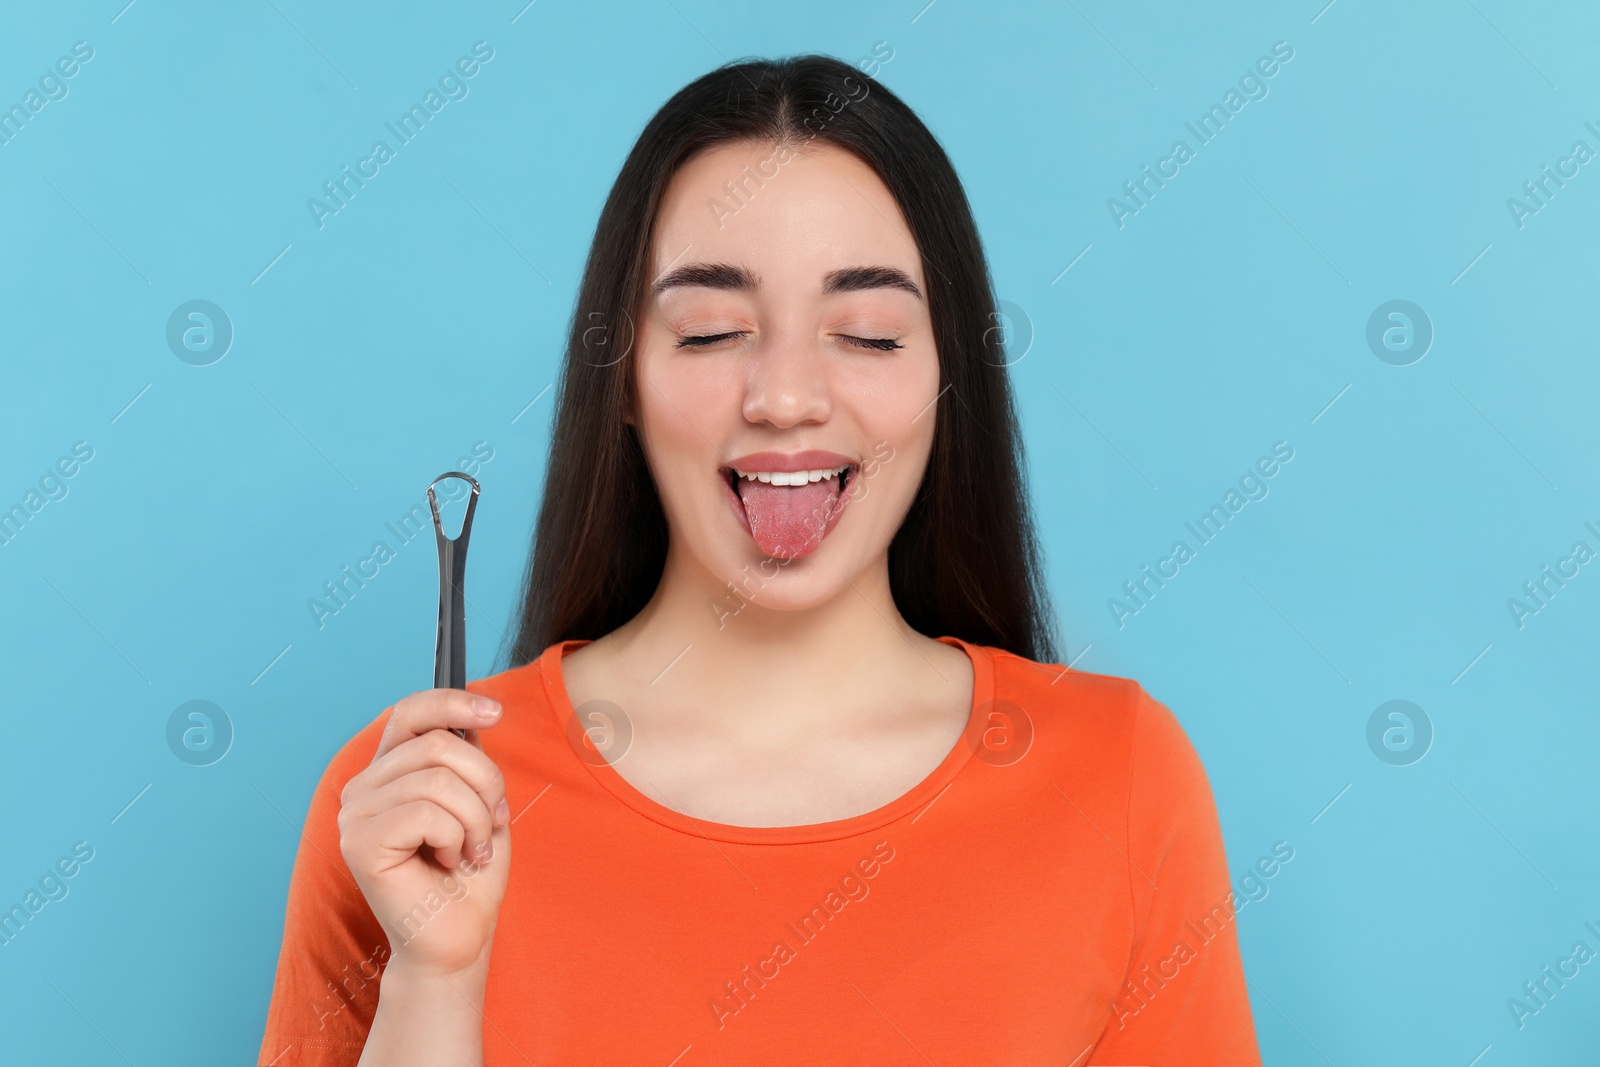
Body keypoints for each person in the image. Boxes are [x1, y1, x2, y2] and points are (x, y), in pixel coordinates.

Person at [257, 53, 1262, 1066]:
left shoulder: (1119, 779)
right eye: (711, 331)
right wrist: (435, 980)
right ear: (625, 381)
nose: (785, 395)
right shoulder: (417, 805)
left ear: (948, 376)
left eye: (867, 334)